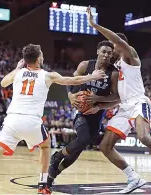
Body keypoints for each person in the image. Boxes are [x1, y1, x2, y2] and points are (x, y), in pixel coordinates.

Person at [0, 44, 106, 195]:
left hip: (12, 121)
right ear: (38, 59)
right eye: (41, 55)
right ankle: (43, 185)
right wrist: (91, 76)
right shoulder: (48, 75)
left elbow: (3, 83)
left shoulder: (18, 73)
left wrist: (17, 69)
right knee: (45, 145)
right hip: (32, 122)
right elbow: (71, 80)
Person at [85, 7, 151, 193]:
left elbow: (117, 41)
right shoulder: (114, 68)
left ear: (121, 45)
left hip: (139, 102)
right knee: (105, 146)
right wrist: (98, 104)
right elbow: (116, 98)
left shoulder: (130, 56)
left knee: (143, 136)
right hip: (124, 107)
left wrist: (94, 24)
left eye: (114, 45)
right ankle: (133, 177)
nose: (112, 49)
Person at [47, 40, 123, 191]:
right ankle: (56, 156)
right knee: (82, 139)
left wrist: (98, 101)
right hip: (81, 112)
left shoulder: (113, 73)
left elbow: (117, 97)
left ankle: (52, 176)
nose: (106, 55)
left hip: (97, 115)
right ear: (97, 52)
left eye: (109, 52)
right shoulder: (85, 65)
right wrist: (69, 95)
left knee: (78, 149)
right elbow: (70, 81)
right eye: (104, 52)